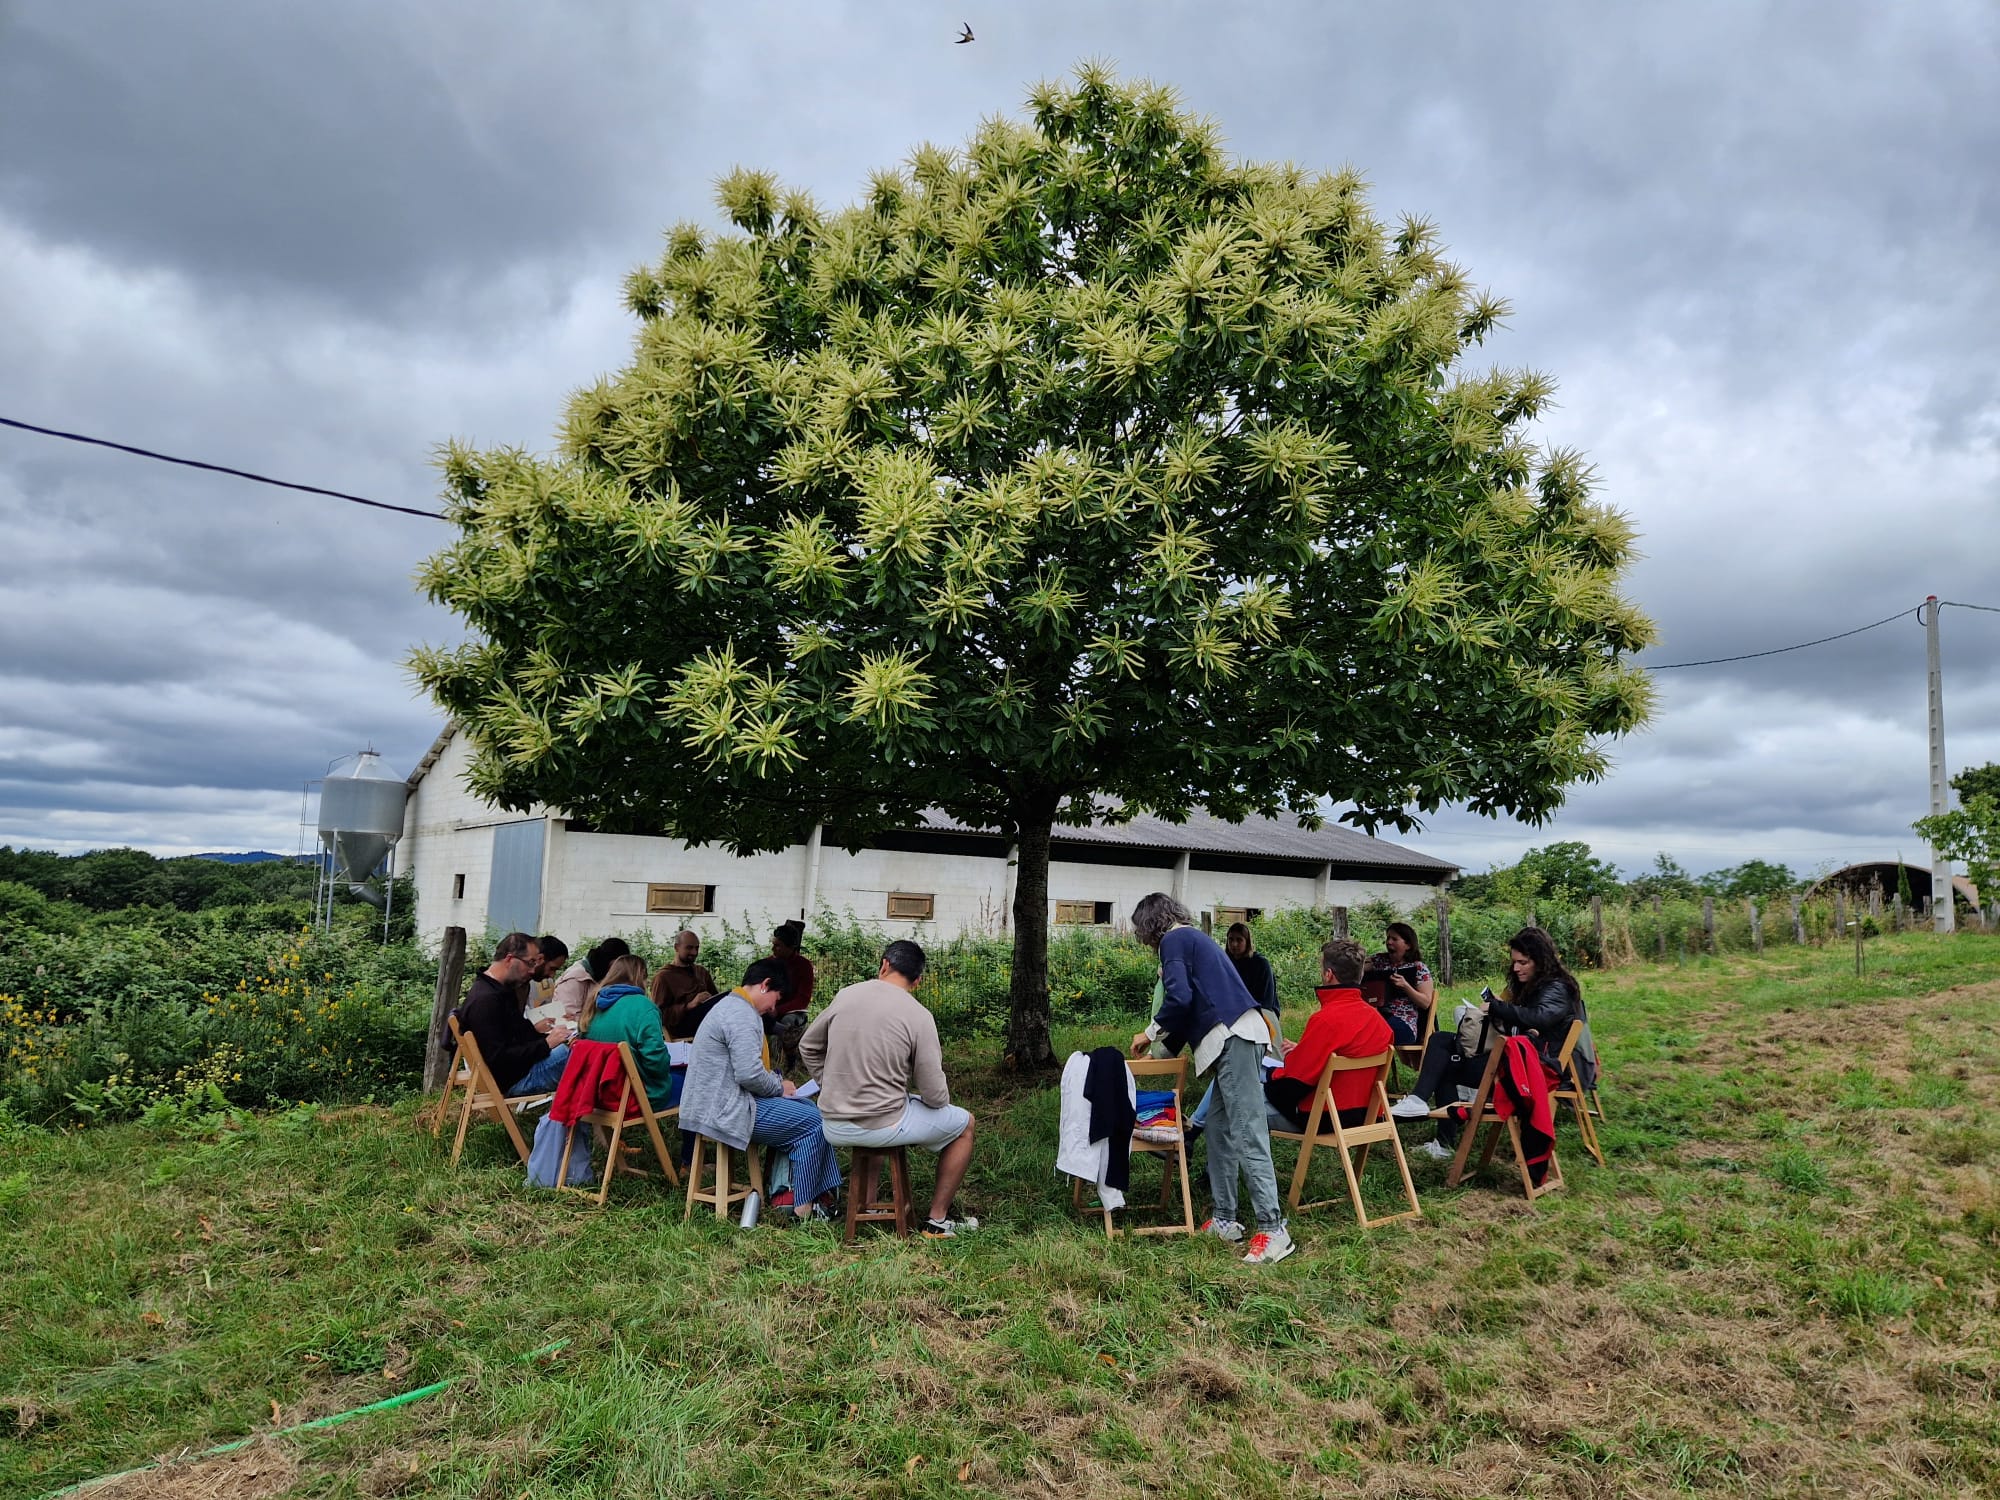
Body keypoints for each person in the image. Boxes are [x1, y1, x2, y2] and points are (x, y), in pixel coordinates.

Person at [1128, 893, 1292, 1266]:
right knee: (1218, 1130)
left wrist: (1149, 1033)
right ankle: (1225, 1219)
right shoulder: (1190, 939)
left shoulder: (1174, 940)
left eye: (1141, 931)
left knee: (1247, 1130)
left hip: (1234, 1038)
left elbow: (1179, 998)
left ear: (1150, 924)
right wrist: (1163, 1053)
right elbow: (1190, 1006)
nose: (1144, 939)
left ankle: (1273, 1228)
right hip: (1231, 1039)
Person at [800, 939, 977, 1238]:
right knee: (965, 1126)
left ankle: (866, 1204)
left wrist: (828, 1082)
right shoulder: (919, 1015)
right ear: (917, 981)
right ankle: (937, 1219)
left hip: (833, 1123)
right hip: (883, 1121)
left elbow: (808, 1045)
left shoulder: (846, 996)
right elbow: (934, 1095)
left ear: (884, 965)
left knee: (888, 1110)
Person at [1390, 926, 1584, 1159]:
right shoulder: (1535, 985)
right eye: (1514, 962)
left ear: (1540, 961)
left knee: (1445, 1067)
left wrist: (1497, 1007)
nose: (1516, 968)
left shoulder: (1557, 987)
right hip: (1514, 1058)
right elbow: (1521, 1022)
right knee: (1441, 1040)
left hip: (1527, 1071)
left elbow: (1540, 1018)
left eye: (1523, 963)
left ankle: (1441, 1139)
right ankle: (1419, 1101)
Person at [679, 958, 842, 1221]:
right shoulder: (743, 1014)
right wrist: (779, 1087)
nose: (773, 1008)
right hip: (725, 1109)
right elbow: (748, 1073)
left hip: (709, 1105)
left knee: (809, 1110)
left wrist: (778, 1087)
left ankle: (819, 1196)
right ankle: (804, 1207)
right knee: (814, 1121)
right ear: (765, 985)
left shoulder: (729, 1006)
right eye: (776, 999)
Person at [1263, 938, 1395, 1130]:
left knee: (1235, 1099)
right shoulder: (1379, 1022)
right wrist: (1302, 1051)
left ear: (1328, 975)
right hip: (1366, 1116)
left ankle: (1217, 1147)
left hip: (1323, 1117)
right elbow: (1348, 1056)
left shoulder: (1326, 1020)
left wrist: (1272, 1074)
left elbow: (1293, 1085)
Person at [461, 932, 573, 1096]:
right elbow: (498, 1058)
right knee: (583, 1054)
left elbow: (518, 1036)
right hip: (514, 1080)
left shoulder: (497, 991)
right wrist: (546, 1044)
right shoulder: (486, 1000)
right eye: (530, 963)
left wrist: (551, 1038)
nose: (533, 970)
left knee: (579, 1047)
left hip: (519, 1071)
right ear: (509, 959)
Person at [574, 953, 679, 1111]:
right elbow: (655, 1061)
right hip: (636, 1096)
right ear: (641, 977)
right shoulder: (644, 1007)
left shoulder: (593, 1004)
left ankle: (610, 1137)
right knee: (695, 1084)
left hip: (596, 1094)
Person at [1365, 922, 1435, 1047]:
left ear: (1408, 945)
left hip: (1403, 1023)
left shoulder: (1418, 968)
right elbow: (1356, 970)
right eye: (1388, 938)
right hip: (1376, 1016)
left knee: (1371, 1032)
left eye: (1394, 939)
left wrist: (1406, 986)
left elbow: (1425, 1003)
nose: (1388, 942)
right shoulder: (1379, 961)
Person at [651, 929, 719, 1037]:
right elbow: (658, 1015)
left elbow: (717, 1001)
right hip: (684, 1035)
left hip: (711, 1029)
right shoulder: (663, 977)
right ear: (676, 947)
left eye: (697, 948)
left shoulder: (701, 972)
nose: (694, 952)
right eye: (689, 948)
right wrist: (689, 1006)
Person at [768, 921, 816, 1071]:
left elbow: (803, 1000)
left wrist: (778, 1010)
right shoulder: (769, 963)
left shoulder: (804, 966)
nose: (773, 949)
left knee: (786, 1023)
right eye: (773, 944)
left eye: (778, 946)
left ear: (790, 947)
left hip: (793, 1012)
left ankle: (789, 1062)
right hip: (769, 1008)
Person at [551, 937, 629, 1022]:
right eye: (617, 966)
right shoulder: (575, 979)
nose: (617, 970)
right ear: (609, 961)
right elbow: (566, 1018)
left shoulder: (601, 976)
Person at [1224, 922, 1278, 1013]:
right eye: (1231, 939)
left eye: (1239, 940)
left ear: (1247, 942)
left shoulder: (1261, 964)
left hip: (1261, 1010)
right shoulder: (1225, 963)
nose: (1234, 944)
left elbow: (1267, 1000)